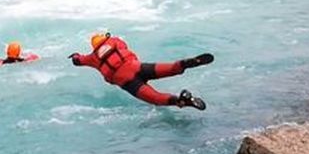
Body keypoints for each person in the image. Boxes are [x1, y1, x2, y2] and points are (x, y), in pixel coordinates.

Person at [69, 33, 213, 110]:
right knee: (171, 69)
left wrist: (75, 55)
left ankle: (181, 100)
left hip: (128, 81)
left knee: (156, 98)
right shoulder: (114, 41)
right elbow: (124, 45)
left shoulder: (93, 57)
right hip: (137, 67)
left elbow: (78, 61)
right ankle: (186, 63)